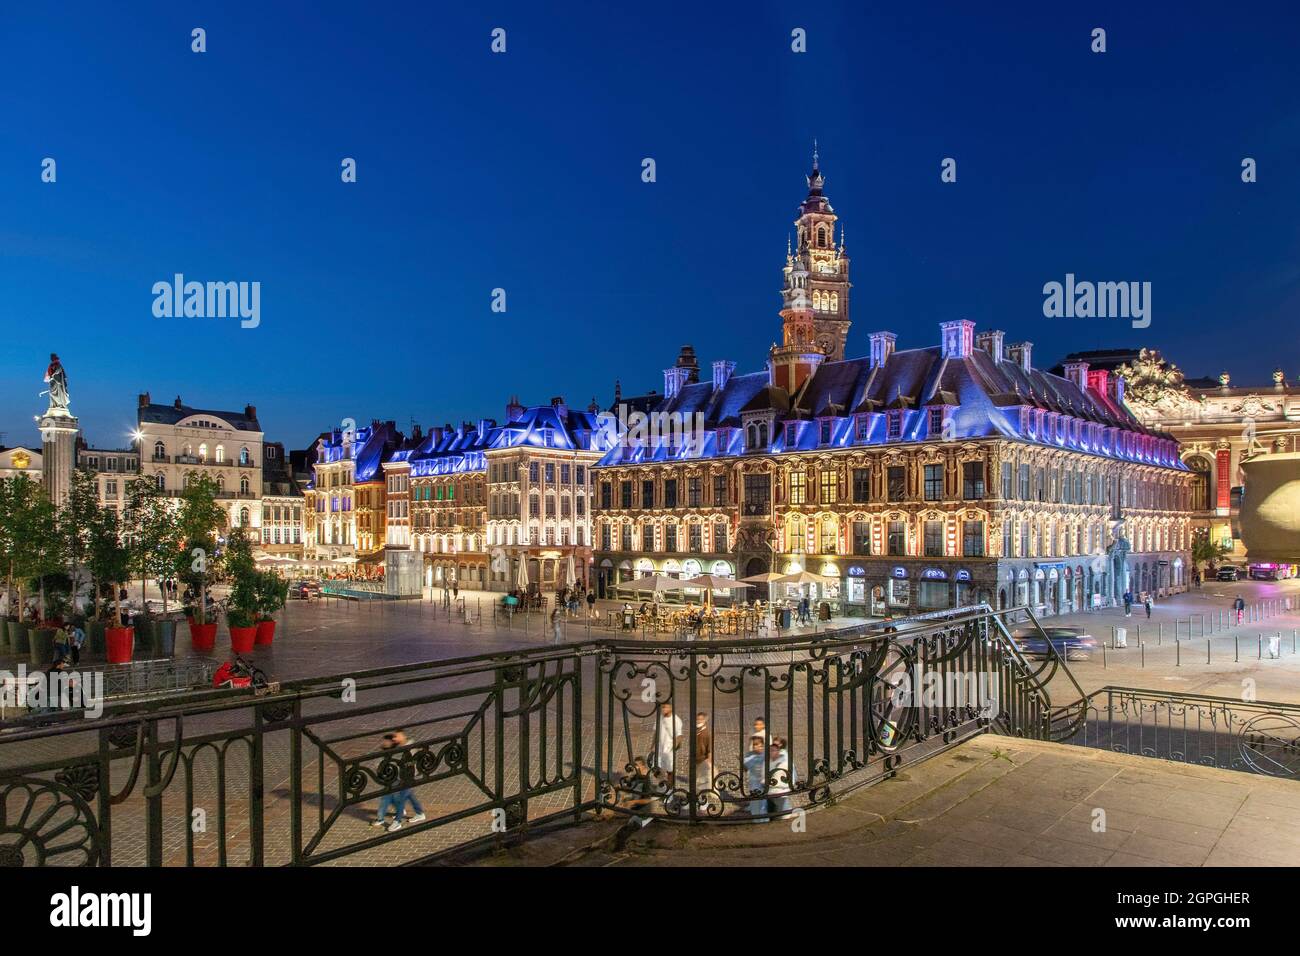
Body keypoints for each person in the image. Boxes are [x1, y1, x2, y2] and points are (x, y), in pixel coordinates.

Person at [371, 731, 426, 833]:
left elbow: (412, 763)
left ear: (403, 735)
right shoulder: (398, 747)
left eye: (397, 736)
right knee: (407, 795)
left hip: (407, 777)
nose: (395, 739)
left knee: (400, 798)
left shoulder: (409, 746)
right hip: (401, 777)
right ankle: (419, 813)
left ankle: (397, 821)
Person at [653, 703, 683, 786]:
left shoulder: (676, 720)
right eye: (662, 707)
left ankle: (670, 787)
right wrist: (652, 746)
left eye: (665, 707)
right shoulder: (660, 718)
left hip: (669, 749)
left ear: (671, 708)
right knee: (655, 768)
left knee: (670, 770)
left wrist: (673, 748)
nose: (663, 709)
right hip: (659, 748)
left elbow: (679, 736)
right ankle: (662, 784)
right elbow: (656, 732)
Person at [742, 734, 768, 818]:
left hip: (761, 780)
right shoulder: (750, 755)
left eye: (760, 745)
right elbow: (746, 766)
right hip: (753, 779)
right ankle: (752, 806)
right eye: (755, 745)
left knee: (762, 797)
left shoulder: (765, 755)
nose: (758, 747)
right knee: (752, 793)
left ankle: (762, 812)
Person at [767, 737, 793, 818]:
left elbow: (790, 771)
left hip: (780, 787)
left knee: (783, 805)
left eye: (776, 743)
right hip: (773, 787)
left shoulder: (784, 756)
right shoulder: (773, 756)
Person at [693, 712, 712, 793]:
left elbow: (710, 747)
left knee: (702, 778)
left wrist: (709, 758)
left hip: (703, 758)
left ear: (705, 720)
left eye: (701, 719)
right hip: (695, 757)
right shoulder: (695, 730)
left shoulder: (707, 732)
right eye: (697, 719)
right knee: (696, 776)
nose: (699, 721)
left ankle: (702, 794)